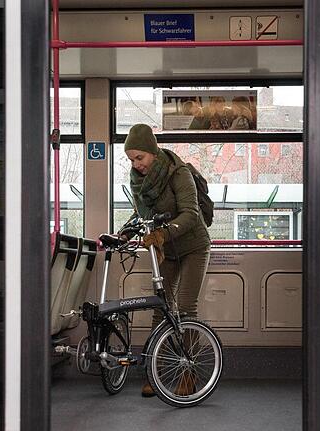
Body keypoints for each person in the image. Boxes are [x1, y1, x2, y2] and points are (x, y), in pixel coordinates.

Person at [121, 123, 211, 397]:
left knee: (185, 309)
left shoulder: (177, 171)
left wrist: (163, 233)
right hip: (166, 249)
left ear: (153, 152)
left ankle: (188, 374)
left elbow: (191, 213)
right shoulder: (138, 181)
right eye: (131, 159)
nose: (136, 165)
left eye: (140, 158)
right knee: (160, 311)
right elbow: (142, 213)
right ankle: (155, 374)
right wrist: (125, 230)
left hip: (193, 245)